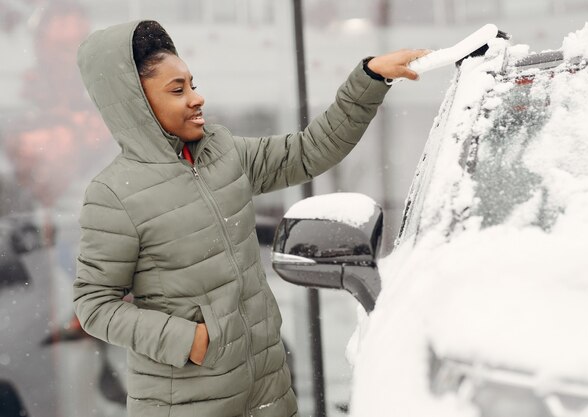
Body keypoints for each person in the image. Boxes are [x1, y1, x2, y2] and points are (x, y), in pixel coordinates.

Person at [72, 19, 428, 417]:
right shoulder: (114, 194)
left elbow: (308, 151)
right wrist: (190, 339)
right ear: (138, 104)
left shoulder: (222, 152)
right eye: (177, 90)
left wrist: (370, 78)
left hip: (267, 385)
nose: (196, 98)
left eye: (192, 84)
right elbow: (94, 304)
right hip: (186, 401)